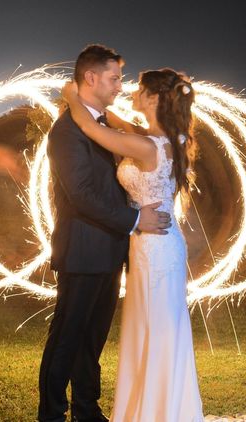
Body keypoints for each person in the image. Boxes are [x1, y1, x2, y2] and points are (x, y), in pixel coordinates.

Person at [61, 65, 204, 422]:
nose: (132, 93)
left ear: (154, 98)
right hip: (157, 244)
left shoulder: (144, 145)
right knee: (153, 326)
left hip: (154, 249)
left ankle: (157, 413)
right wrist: (97, 101)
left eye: (140, 90)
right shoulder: (166, 139)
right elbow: (117, 122)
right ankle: (158, 407)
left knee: (155, 326)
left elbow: (90, 127)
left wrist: (72, 97)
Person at [38, 44, 173, 422]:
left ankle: (87, 409)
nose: (119, 85)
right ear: (91, 77)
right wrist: (133, 222)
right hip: (82, 250)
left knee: (92, 340)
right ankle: (50, 414)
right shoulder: (67, 131)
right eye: (114, 78)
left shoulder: (102, 127)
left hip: (111, 250)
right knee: (66, 337)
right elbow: (81, 194)